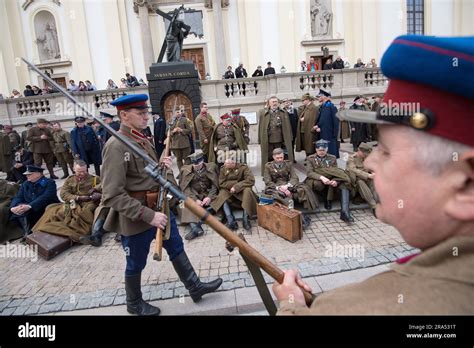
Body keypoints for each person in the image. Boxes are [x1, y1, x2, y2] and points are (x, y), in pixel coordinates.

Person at [273, 35, 474, 315]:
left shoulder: (355, 309)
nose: (370, 161)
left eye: (387, 151)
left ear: (466, 185)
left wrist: (292, 306)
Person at [103, 94, 222, 315]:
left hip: (160, 206)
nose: (146, 117)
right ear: (124, 115)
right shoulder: (116, 146)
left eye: (146, 112)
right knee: (136, 262)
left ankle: (194, 287)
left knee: (176, 246)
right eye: (140, 113)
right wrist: (148, 215)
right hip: (138, 216)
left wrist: (160, 165)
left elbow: (141, 175)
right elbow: (111, 194)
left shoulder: (141, 138)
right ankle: (134, 303)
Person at [33, 160, 102, 244]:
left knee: (82, 215)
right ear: (73, 169)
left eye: (84, 171)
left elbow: (104, 189)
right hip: (72, 203)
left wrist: (97, 194)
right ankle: (36, 232)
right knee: (52, 209)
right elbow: (63, 194)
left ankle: (76, 235)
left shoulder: (95, 179)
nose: (82, 173)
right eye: (79, 172)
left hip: (88, 204)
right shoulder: (70, 180)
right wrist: (77, 197)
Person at [263, 148, 317, 228]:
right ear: (273, 157)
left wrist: (287, 186)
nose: (280, 159)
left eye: (281, 157)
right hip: (275, 187)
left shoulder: (288, 164)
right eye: (277, 158)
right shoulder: (268, 166)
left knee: (303, 188)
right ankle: (298, 218)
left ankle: (301, 209)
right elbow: (268, 181)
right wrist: (279, 188)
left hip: (287, 184)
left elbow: (294, 177)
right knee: (281, 196)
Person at [305, 139, 354, 222]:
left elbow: (336, 173)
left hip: (330, 180)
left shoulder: (332, 158)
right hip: (317, 180)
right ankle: (326, 199)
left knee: (344, 184)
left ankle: (345, 212)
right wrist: (321, 177)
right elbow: (309, 173)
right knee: (318, 184)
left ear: (327, 149)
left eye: (323, 150)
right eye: (319, 150)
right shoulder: (311, 158)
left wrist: (336, 181)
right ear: (316, 149)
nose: (321, 152)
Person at [10, 165, 59, 240]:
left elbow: (46, 197)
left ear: (38, 174)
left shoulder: (49, 183)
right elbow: (18, 197)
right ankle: (27, 232)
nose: (27, 176)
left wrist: (29, 206)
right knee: (18, 211)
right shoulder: (25, 184)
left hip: (46, 208)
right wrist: (13, 207)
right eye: (26, 175)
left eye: (29, 174)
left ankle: (31, 233)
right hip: (31, 209)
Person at [179, 151, 222, 239]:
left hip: (209, 195)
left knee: (222, 198)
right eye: (194, 164)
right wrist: (195, 199)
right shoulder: (185, 170)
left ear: (202, 161)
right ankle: (195, 227)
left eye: (198, 163)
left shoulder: (212, 167)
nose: (197, 166)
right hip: (194, 196)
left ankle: (205, 212)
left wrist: (209, 197)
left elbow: (215, 185)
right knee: (181, 203)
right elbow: (185, 188)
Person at [211, 156, 257, 231]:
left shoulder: (243, 168)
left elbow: (251, 180)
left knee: (248, 190)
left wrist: (237, 186)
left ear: (233, 163)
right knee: (222, 193)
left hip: (242, 191)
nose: (225, 165)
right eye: (225, 163)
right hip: (229, 192)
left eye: (227, 163)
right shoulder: (223, 169)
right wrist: (233, 185)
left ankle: (246, 218)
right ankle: (230, 219)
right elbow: (221, 183)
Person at [258, 96, 294, 175]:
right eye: (273, 102)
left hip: (280, 139)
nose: (274, 103)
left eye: (276, 101)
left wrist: (289, 138)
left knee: (280, 156)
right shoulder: (263, 113)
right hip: (268, 140)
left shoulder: (283, 112)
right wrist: (260, 139)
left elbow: (288, 126)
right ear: (269, 103)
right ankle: (269, 172)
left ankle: (282, 171)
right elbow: (260, 127)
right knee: (269, 157)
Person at [346, 142, 376, 212]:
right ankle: (374, 206)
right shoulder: (351, 158)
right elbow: (353, 170)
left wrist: (373, 172)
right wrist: (368, 175)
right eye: (364, 153)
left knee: (374, 181)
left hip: (367, 180)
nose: (366, 155)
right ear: (359, 150)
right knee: (360, 182)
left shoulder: (367, 158)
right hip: (355, 184)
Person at [316, 89, 340, 158]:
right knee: (325, 151)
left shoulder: (331, 107)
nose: (319, 97)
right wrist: (318, 126)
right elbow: (322, 119)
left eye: (320, 96)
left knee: (331, 152)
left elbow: (336, 121)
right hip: (323, 134)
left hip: (330, 134)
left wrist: (335, 134)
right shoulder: (323, 106)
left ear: (325, 97)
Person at [295, 93, 319, 157]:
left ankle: (311, 159)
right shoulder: (306, 107)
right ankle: (308, 158)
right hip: (304, 130)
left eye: (303, 100)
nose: (302, 102)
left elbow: (313, 119)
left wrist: (304, 119)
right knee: (306, 146)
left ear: (308, 100)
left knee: (310, 147)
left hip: (309, 131)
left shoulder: (313, 108)